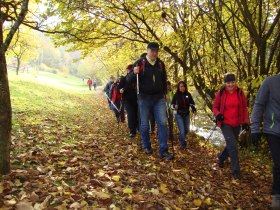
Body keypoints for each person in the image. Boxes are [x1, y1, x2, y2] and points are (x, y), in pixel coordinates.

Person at [127, 42, 173, 160]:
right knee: (144, 124)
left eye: (156, 51)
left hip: (158, 98)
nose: (154, 53)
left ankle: (163, 150)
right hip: (144, 98)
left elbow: (164, 80)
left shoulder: (160, 64)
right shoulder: (139, 63)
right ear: (147, 50)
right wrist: (134, 73)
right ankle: (147, 145)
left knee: (162, 123)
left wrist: (165, 93)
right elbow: (128, 79)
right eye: (152, 51)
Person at [251, 73, 280, 209]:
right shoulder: (270, 82)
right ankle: (276, 197)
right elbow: (258, 104)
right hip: (273, 129)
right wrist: (255, 128)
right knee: (279, 163)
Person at [212, 73, 249, 179]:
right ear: (225, 83)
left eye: (232, 82)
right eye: (228, 82)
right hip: (225, 123)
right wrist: (218, 114)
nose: (230, 85)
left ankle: (221, 157)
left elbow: (244, 108)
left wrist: (245, 121)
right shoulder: (221, 92)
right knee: (233, 147)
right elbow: (215, 107)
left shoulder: (240, 92)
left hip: (237, 124)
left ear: (235, 82)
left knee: (231, 145)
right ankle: (236, 172)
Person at [171, 81, 196, 149]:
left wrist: (193, 108)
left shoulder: (188, 94)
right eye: (181, 86)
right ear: (178, 87)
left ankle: (181, 137)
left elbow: (192, 103)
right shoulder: (176, 95)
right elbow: (171, 105)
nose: (182, 88)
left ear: (185, 87)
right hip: (179, 114)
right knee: (182, 131)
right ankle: (183, 144)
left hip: (187, 114)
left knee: (187, 130)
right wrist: (174, 107)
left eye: (183, 86)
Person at [118, 64, 138, 138]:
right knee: (131, 114)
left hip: (137, 99)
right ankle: (132, 131)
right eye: (129, 70)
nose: (129, 71)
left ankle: (137, 128)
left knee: (136, 114)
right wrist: (120, 90)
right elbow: (118, 88)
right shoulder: (124, 79)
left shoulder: (137, 78)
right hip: (127, 100)